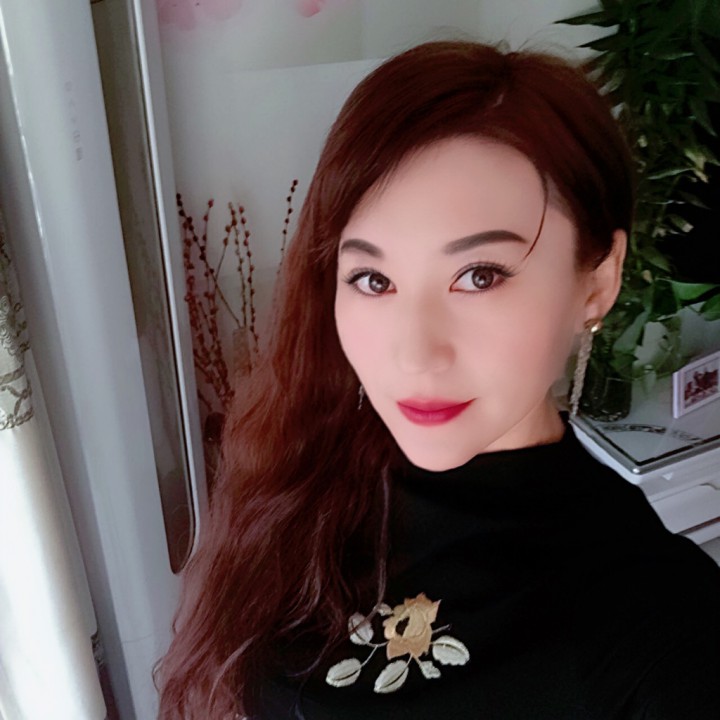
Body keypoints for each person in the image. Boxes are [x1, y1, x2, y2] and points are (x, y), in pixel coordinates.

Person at [154, 41, 720, 719]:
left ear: (597, 282)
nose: (415, 354)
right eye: (373, 279)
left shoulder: (661, 625)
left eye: (479, 276)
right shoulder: (305, 469)